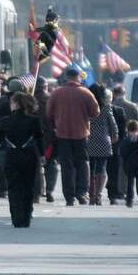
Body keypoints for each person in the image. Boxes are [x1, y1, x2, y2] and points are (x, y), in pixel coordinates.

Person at [46, 66, 100, 206]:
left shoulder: (57, 93)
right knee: (82, 163)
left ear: (66, 78)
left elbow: (49, 113)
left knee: (66, 166)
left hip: (62, 134)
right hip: (81, 134)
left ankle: (69, 197)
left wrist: (56, 123)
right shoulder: (86, 93)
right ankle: (82, 193)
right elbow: (95, 112)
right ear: (78, 78)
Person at [0, 91, 43, 228]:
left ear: (16, 104)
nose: (10, 105)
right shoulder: (34, 121)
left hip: (11, 155)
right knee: (28, 186)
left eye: (12, 102)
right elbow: (39, 139)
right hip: (29, 155)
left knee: (13, 187)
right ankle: (26, 216)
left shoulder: (4, 121)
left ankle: (16, 217)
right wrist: (42, 156)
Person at [86, 84, 119, 206]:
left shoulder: (87, 108)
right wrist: (115, 135)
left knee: (91, 169)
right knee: (102, 169)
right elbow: (113, 124)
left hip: (89, 141)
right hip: (104, 141)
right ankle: (98, 195)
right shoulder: (105, 108)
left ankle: (91, 195)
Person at [111, 84, 138, 204]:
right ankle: (124, 189)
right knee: (126, 166)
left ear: (114, 93)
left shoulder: (110, 106)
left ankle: (115, 190)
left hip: (113, 139)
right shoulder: (132, 106)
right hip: (129, 139)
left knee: (112, 167)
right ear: (124, 93)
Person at [118, 119, 138, 208]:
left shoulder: (125, 140)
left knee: (129, 183)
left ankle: (129, 200)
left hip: (129, 165)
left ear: (127, 130)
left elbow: (122, 152)